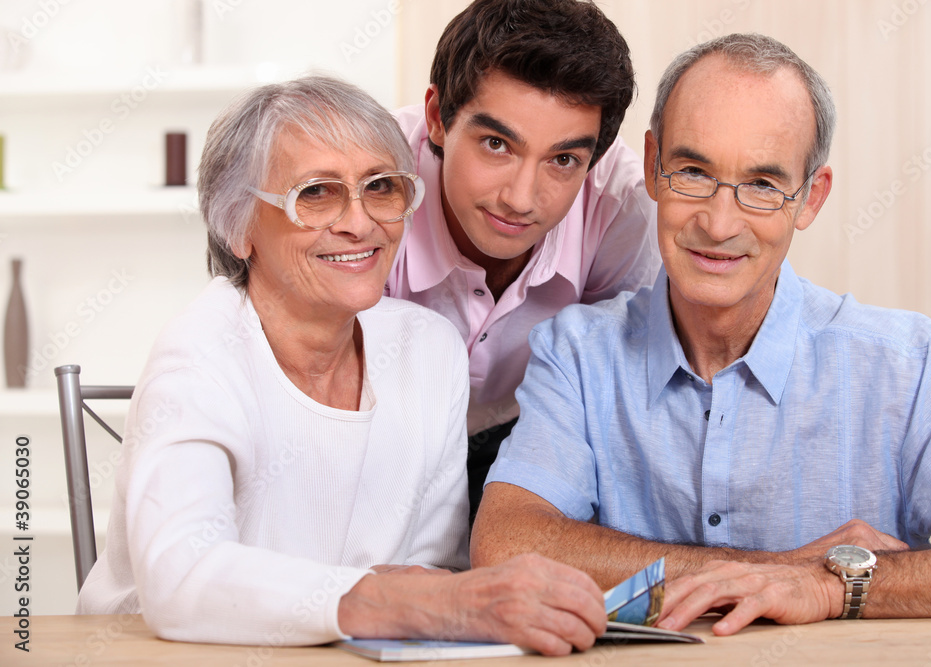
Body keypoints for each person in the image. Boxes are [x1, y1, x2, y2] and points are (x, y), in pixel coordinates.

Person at [472, 34, 931, 635]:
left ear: (811, 198)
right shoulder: (576, 353)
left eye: (763, 185)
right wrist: (778, 570)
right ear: (652, 168)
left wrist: (831, 589)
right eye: (693, 172)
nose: (719, 224)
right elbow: (506, 543)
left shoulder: (906, 366)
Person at [76, 75, 607, 655]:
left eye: (381, 188)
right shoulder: (198, 354)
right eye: (316, 194)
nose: (359, 223)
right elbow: (182, 580)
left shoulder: (429, 349)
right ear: (238, 226)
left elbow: (428, 571)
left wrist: (423, 600)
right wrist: (397, 601)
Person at [387, 0, 660, 523]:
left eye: (563, 160)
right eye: (496, 144)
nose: (520, 198)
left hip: (535, 435)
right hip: (385, 435)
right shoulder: (373, 177)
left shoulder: (624, 205)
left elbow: (617, 388)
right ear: (437, 119)